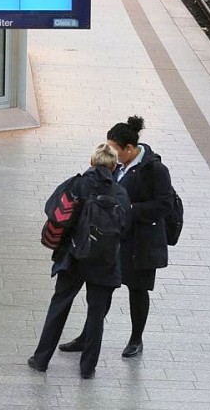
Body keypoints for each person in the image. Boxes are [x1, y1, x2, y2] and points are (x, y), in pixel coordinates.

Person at [59, 116, 174, 358]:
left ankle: (136, 339)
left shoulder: (155, 169)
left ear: (129, 149)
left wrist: (131, 209)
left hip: (142, 242)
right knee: (102, 290)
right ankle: (87, 336)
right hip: (114, 239)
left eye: (115, 149)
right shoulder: (118, 166)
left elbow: (164, 205)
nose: (111, 153)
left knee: (137, 290)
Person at [28, 144, 131, 379]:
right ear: (114, 166)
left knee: (60, 306)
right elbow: (125, 227)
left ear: (92, 161)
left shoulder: (77, 184)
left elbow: (53, 210)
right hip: (105, 263)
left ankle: (41, 359)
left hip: (74, 257)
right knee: (96, 316)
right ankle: (87, 369)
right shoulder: (120, 192)